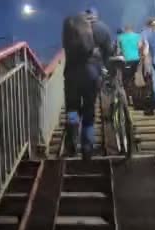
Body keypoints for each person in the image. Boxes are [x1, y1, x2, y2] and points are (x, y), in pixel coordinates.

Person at [62, 7, 112, 159]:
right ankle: (87, 148)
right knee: (89, 110)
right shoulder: (103, 29)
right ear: (96, 16)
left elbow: (66, 48)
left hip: (71, 73)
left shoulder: (71, 26)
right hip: (91, 74)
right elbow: (108, 53)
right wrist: (106, 70)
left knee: (72, 108)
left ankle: (71, 144)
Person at [117, 25, 142, 94]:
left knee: (125, 78)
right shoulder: (138, 36)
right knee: (133, 76)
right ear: (132, 29)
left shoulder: (120, 37)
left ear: (125, 30)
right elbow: (140, 47)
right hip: (136, 59)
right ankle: (134, 91)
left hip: (126, 60)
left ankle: (127, 93)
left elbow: (118, 51)